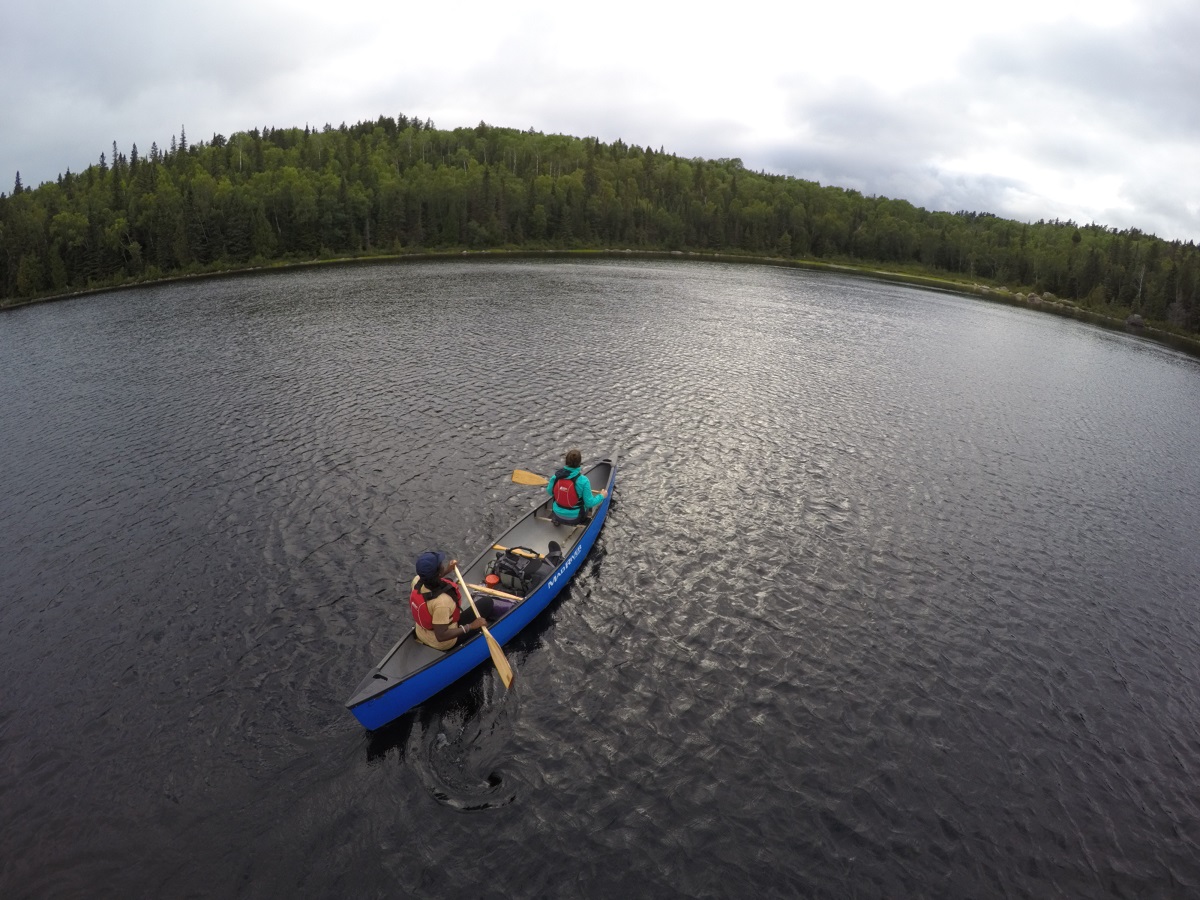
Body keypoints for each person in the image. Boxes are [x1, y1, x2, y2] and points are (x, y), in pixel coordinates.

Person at [409, 550, 500, 651]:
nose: (442, 565)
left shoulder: (417, 580)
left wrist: (448, 570)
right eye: (441, 565)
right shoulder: (442, 602)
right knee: (487, 602)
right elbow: (441, 636)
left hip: (421, 633)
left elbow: (430, 579)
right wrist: (471, 626)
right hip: (443, 642)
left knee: (449, 581)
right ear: (439, 572)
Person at [546, 448, 607, 526]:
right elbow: (589, 503)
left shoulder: (556, 477)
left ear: (566, 461)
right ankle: (585, 522)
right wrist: (602, 495)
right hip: (575, 519)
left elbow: (550, 492)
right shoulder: (583, 481)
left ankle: (557, 520)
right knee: (587, 502)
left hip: (557, 515)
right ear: (579, 463)